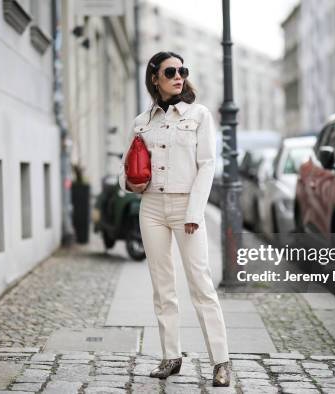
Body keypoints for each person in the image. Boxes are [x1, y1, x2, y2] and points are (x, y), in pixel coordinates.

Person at [118, 51, 231, 387]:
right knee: (162, 285)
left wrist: (195, 211)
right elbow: (127, 170)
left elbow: (208, 165)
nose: (178, 76)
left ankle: (221, 362)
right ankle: (171, 355)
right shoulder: (142, 121)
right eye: (170, 71)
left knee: (201, 284)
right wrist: (129, 180)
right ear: (155, 78)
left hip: (186, 207)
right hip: (151, 207)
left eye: (183, 70)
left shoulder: (199, 115)